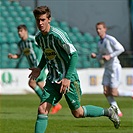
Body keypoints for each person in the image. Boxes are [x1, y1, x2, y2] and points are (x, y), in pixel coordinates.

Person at [29, 6, 120, 133]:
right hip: (52, 78)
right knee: (42, 109)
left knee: (77, 113)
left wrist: (67, 78)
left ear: (49, 19)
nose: (40, 23)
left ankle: (109, 112)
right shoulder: (39, 38)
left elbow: (74, 54)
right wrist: (39, 68)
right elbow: (47, 53)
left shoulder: (58, 35)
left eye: (43, 19)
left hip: (68, 78)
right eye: (38, 20)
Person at [91, 22, 125, 117]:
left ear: (105, 29)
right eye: (97, 29)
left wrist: (111, 55)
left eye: (100, 29)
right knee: (106, 92)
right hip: (107, 68)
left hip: (114, 67)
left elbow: (121, 49)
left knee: (114, 92)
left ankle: (130, 93)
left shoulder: (110, 39)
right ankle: (117, 111)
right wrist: (96, 56)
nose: (98, 31)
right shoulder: (99, 42)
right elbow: (103, 56)